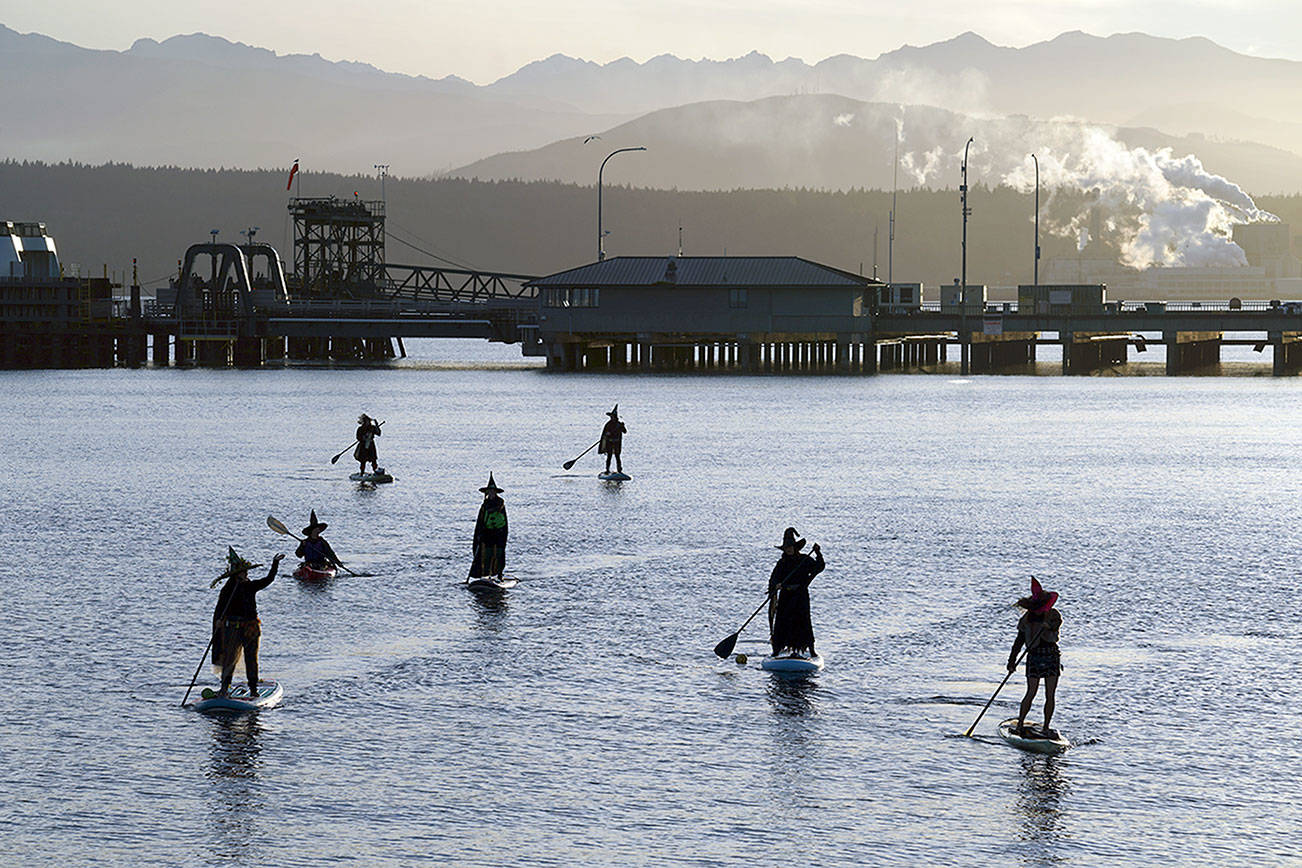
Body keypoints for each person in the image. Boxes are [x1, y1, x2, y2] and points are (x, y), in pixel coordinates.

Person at [211, 547, 284, 698]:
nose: (247, 574)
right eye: (244, 572)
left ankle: (253, 688)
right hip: (232, 627)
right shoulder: (228, 589)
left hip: (250, 627)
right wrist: (218, 621)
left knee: (251, 658)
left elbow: (268, 580)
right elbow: (220, 608)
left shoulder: (250, 586)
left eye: (246, 572)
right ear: (237, 574)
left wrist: (275, 564)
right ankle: (224, 688)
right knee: (229, 658)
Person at [1007, 577, 1063, 736]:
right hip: (1038, 657)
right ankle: (1021, 724)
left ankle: (1045, 727)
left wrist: (1048, 626)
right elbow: (1018, 642)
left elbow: (1057, 624)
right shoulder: (1027, 619)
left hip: (1049, 656)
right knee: (1032, 692)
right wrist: (1011, 662)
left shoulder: (1052, 615)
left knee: (1049, 694)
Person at [767, 527, 825, 657]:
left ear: (795, 547)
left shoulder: (804, 560)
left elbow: (819, 567)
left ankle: (811, 650)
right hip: (786, 596)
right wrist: (776, 585)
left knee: (804, 621)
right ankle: (777, 649)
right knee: (782, 622)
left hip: (800, 596)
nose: (788, 549)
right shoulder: (782, 563)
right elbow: (773, 578)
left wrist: (818, 553)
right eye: (786, 548)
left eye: (790, 547)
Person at [469, 473, 508, 580]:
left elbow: (504, 523)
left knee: (498, 555)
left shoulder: (500, 505)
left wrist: (500, 532)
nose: (491, 494)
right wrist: (479, 534)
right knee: (485, 555)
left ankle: (498, 575)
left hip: (498, 534)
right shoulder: (484, 506)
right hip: (487, 535)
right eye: (489, 492)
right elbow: (480, 522)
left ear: (495, 493)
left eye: (493, 492)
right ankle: (485, 575)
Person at [598, 405, 626, 474]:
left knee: (617, 456)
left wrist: (622, 427)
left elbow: (625, 432)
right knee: (609, 456)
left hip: (617, 443)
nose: (611, 418)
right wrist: (607, 435)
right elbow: (605, 434)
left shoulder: (619, 424)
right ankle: (607, 469)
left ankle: (619, 470)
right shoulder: (608, 424)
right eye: (611, 417)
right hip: (609, 443)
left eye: (612, 416)